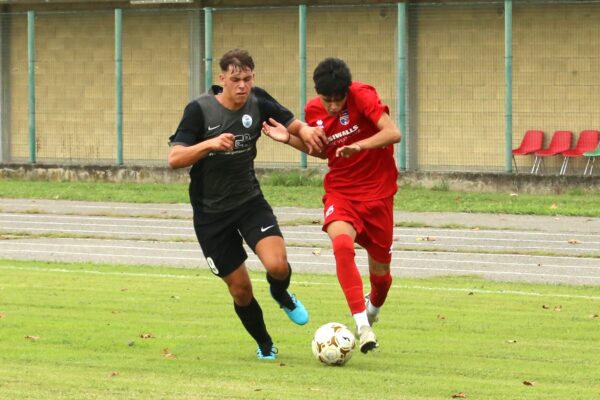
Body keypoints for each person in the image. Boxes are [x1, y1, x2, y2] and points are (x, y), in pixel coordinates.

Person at [168, 49, 319, 360]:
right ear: (222, 79)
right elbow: (175, 158)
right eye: (235, 79)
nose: (242, 85)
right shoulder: (199, 110)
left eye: (247, 79)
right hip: (211, 215)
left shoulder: (258, 101)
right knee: (240, 290)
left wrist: (301, 131)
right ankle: (265, 344)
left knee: (277, 265)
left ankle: (281, 294)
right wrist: (209, 143)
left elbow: (294, 125)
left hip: (249, 202)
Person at [262, 57, 401, 353]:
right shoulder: (313, 111)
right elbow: (324, 153)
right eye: (328, 100)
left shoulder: (362, 95)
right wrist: (289, 139)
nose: (334, 106)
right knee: (341, 246)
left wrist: (360, 146)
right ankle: (362, 327)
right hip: (342, 193)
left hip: (378, 195)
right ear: (318, 94)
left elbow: (393, 133)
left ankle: (372, 312)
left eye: (339, 100)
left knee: (382, 277)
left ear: (347, 92)